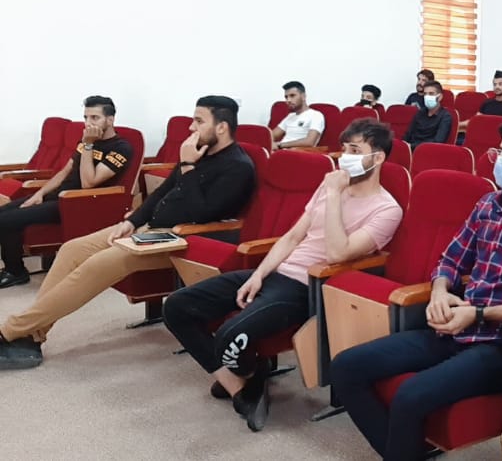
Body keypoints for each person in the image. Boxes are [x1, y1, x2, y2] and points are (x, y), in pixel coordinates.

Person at [329, 114, 502, 461]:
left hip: (500, 345)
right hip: (453, 327)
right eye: (501, 152)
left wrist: (478, 313)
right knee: (345, 367)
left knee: (410, 396)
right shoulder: (487, 204)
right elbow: (450, 259)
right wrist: (440, 292)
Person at [163, 119, 402, 432]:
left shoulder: (386, 209)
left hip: (306, 287)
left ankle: (248, 373)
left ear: (378, 157)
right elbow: (292, 237)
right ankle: (239, 387)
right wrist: (258, 275)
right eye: (344, 149)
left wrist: (334, 195)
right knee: (176, 307)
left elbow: (337, 253)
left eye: (355, 151)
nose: (345, 157)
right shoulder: (328, 186)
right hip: (277, 273)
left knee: (228, 336)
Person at [0, 96, 255, 369]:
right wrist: (132, 221)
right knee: (72, 249)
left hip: (179, 239)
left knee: (96, 265)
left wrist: (188, 166)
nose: (191, 128)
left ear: (221, 127)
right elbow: (161, 193)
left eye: (199, 121)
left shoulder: (237, 167)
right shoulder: (198, 152)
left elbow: (202, 214)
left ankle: (10, 330)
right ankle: (34, 333)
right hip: (148, 227)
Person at [0, 96, 133, 289]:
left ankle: (16, 272)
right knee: (3, 213)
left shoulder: (121, 148)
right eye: (86, 117)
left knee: (6, 220)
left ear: (110, 120)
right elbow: (64, 172)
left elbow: (88, 183)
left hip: (78, 203)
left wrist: (88, 145)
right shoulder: (86, 140)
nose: (88, 123)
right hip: (59, 195)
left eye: (95, 118)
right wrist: (39, 194)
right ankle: (13, 268)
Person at [271, 81, 325, 151]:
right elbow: (271, 136)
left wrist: (280, 145)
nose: (288, 100)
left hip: (297, 153)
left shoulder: (316, 115)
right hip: (281, 151)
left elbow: (310, 142)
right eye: (286, 97)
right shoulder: (290, 116)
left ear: (303, 96)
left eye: (292, 96)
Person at [402, 81, 452, 149]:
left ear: (440, 97)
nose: (427, 97)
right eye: (425, 94)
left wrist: (411, 146)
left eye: (431, 94)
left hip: (428, 151)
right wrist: (404, 146)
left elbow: (438, 141)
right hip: (410, 149)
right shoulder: (420, 113)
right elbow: (408, 134)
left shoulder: (445, 117)